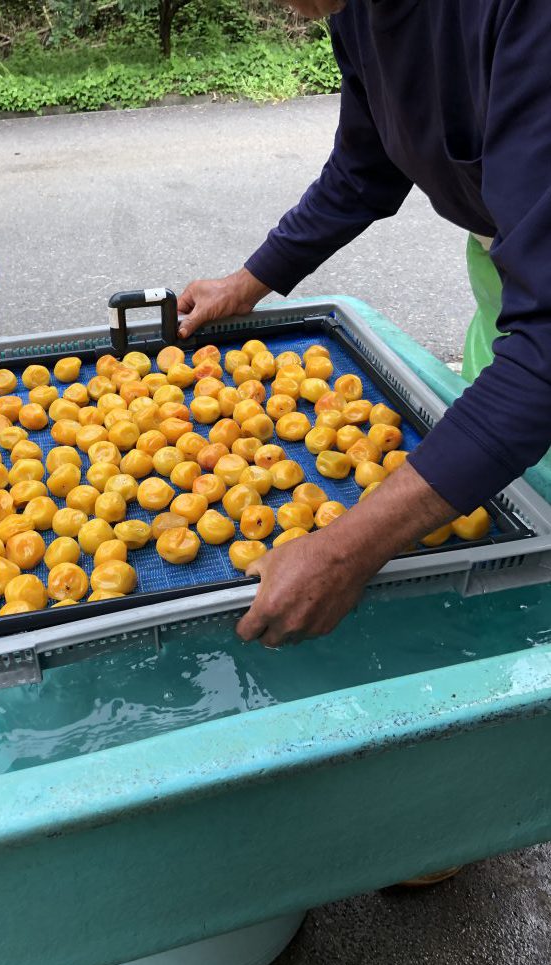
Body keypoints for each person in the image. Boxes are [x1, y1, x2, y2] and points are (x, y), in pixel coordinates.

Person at [177, 0, 551, 650]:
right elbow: (364, 166)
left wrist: (350, 548)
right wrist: (250, 282)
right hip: (512, 267)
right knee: (503, 479)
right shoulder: (354, 9)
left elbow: (547, 352)